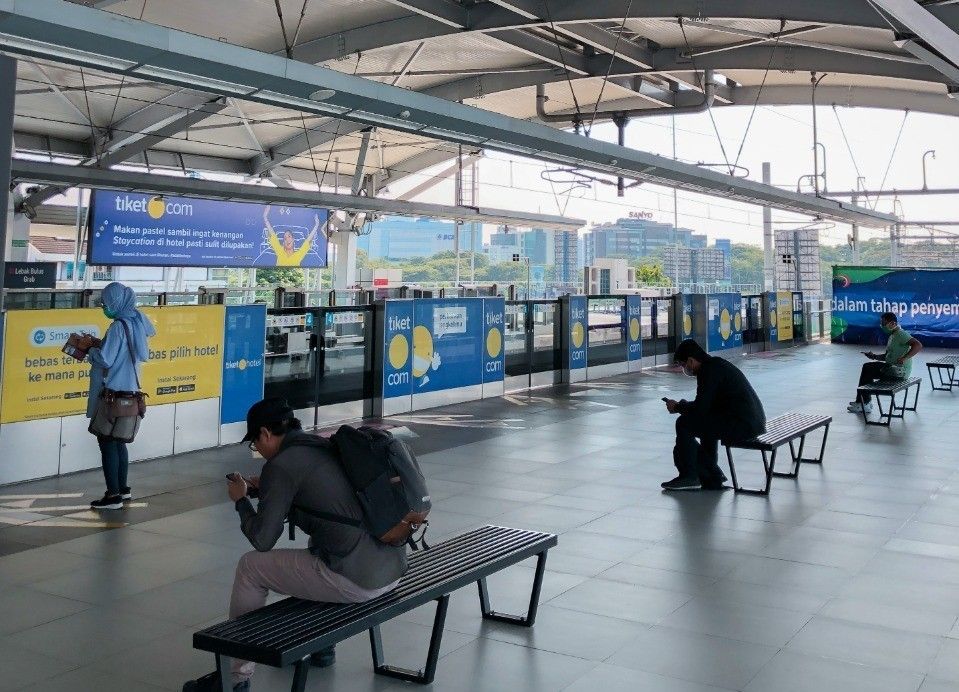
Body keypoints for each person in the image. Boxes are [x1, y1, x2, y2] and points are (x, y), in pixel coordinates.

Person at [183, 399, 407, 692]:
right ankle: (323, 647)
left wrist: (240, 500)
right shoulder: (321, 446)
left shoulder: (282, 465)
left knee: (250, 567)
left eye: (254, 443)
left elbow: (262, 540)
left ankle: (235, 678)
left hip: (360, 579)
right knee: (318, 546)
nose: (258, 451)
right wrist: (265, 488)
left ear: (265, 433)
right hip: (391, 566)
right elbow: (322, 499)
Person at [662, 339, 766, 491]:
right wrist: (683, 406)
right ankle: (712, 474)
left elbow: (700, 409)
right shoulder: (716, 365)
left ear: (691, 360)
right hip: (750, 422)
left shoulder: (708, 372)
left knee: (684, 423)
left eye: (684, 365)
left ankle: (690, 476)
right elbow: (707, 407)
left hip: (743, 425)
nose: (685, 369)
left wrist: (678, 407)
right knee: (705, 424)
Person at [86, 282, 155, 510]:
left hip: (113, 395)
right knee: (119, 443)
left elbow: (106, 359)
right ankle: (123, 490)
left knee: (106, 442)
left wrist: (91, 350)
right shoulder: (137, 322)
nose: (104, 306)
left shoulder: (118, 327)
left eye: (106, 302)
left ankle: (113, 496)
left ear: (116, 302)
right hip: (131, 395)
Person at [848, 311, 923, 413]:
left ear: (893, 324)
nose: (882, 326)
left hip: (900, 372)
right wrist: (874, 356)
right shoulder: (892, 336)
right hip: (892, 369)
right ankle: (864, 402)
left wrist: (905, 358)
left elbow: (918, 345)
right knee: (868, 369)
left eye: (884, 323)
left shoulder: (901, 334)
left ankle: (863, 402)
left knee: (868, 368)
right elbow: (888, 357)